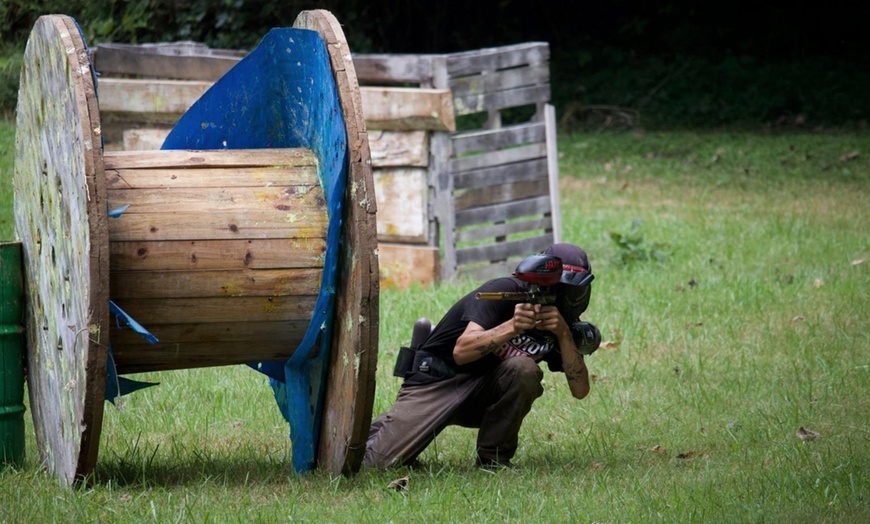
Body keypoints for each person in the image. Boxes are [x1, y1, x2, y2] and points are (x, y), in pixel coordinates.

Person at [363, 243, 601, 469]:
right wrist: (512, 327)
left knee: (524, 369)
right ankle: (375, 431)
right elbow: (461, 352)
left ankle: (493, 460)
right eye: (566, 288)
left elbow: (580, 391)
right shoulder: (503, 291)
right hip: (437, 383)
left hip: (482, 395)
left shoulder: (560, 323)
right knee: (376, 464)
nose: (571, 295)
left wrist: (562, 334)